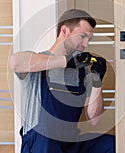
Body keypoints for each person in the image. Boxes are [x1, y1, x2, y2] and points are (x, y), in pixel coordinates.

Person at [9, 9, 115, 153]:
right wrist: (65, 61)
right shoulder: (38, 62)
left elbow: (93, 119)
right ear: (64, 31)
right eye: (82, 36)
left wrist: (96, 79)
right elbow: (15, 62)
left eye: (89, 39)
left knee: (110, 144)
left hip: (70, 142)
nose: (86, 45)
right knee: (46, 135)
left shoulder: (82, 71)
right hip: (41, 142)